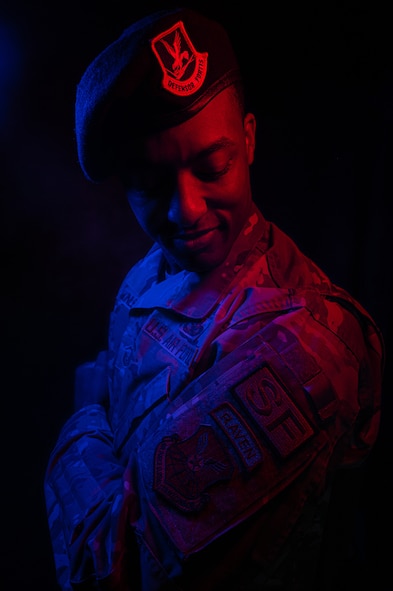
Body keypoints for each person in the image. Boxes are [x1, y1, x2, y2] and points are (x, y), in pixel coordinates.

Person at [44, 7, 384, 591]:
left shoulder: (303, 347)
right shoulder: (146, 276)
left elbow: (116, 573)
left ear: (248, 141)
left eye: (213, 165)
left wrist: (83, 423)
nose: (186, 211)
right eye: (151, 184)